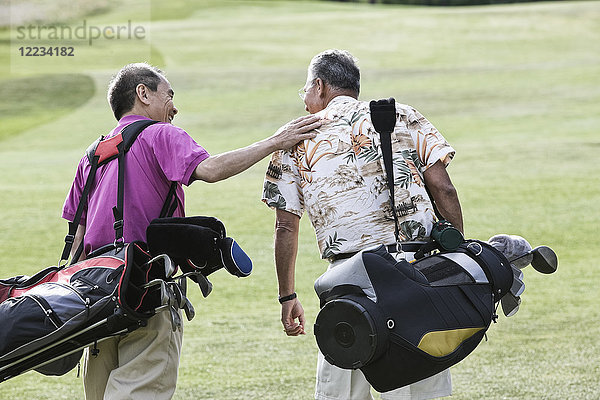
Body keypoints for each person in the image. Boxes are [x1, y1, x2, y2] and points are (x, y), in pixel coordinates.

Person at [62, 62, 320, 400]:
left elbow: (77, 243)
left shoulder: (92, 155)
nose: (175, 106)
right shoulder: (161, 134)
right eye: (169, 95)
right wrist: (275, 141)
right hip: (148, 294)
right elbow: (210, 170)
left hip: (95, 298)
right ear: (143, 94)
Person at [262, 49, 463, 400]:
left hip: (350, 280)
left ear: (320, 87)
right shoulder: (403, 115)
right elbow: (443, 188)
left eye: (305, 90)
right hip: (420, 272)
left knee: (345, 390)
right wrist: (459, 254)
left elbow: (285, 227)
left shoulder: (292, 138)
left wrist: (287, 296)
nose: (305, 100)